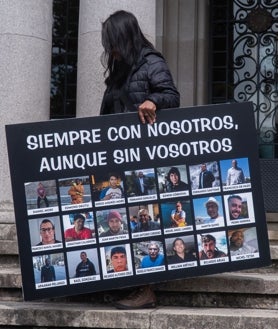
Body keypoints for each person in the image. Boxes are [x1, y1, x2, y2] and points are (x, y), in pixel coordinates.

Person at [100, 9, 179, 310]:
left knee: (142, 226)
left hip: (143, 159)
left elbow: (171, 95)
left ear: (124, 37)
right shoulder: (121, 70)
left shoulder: (151, 62)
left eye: (113, 42)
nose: (111, 50)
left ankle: (145, 290)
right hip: (117, 158)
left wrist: (153, 100)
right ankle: (127, 285)